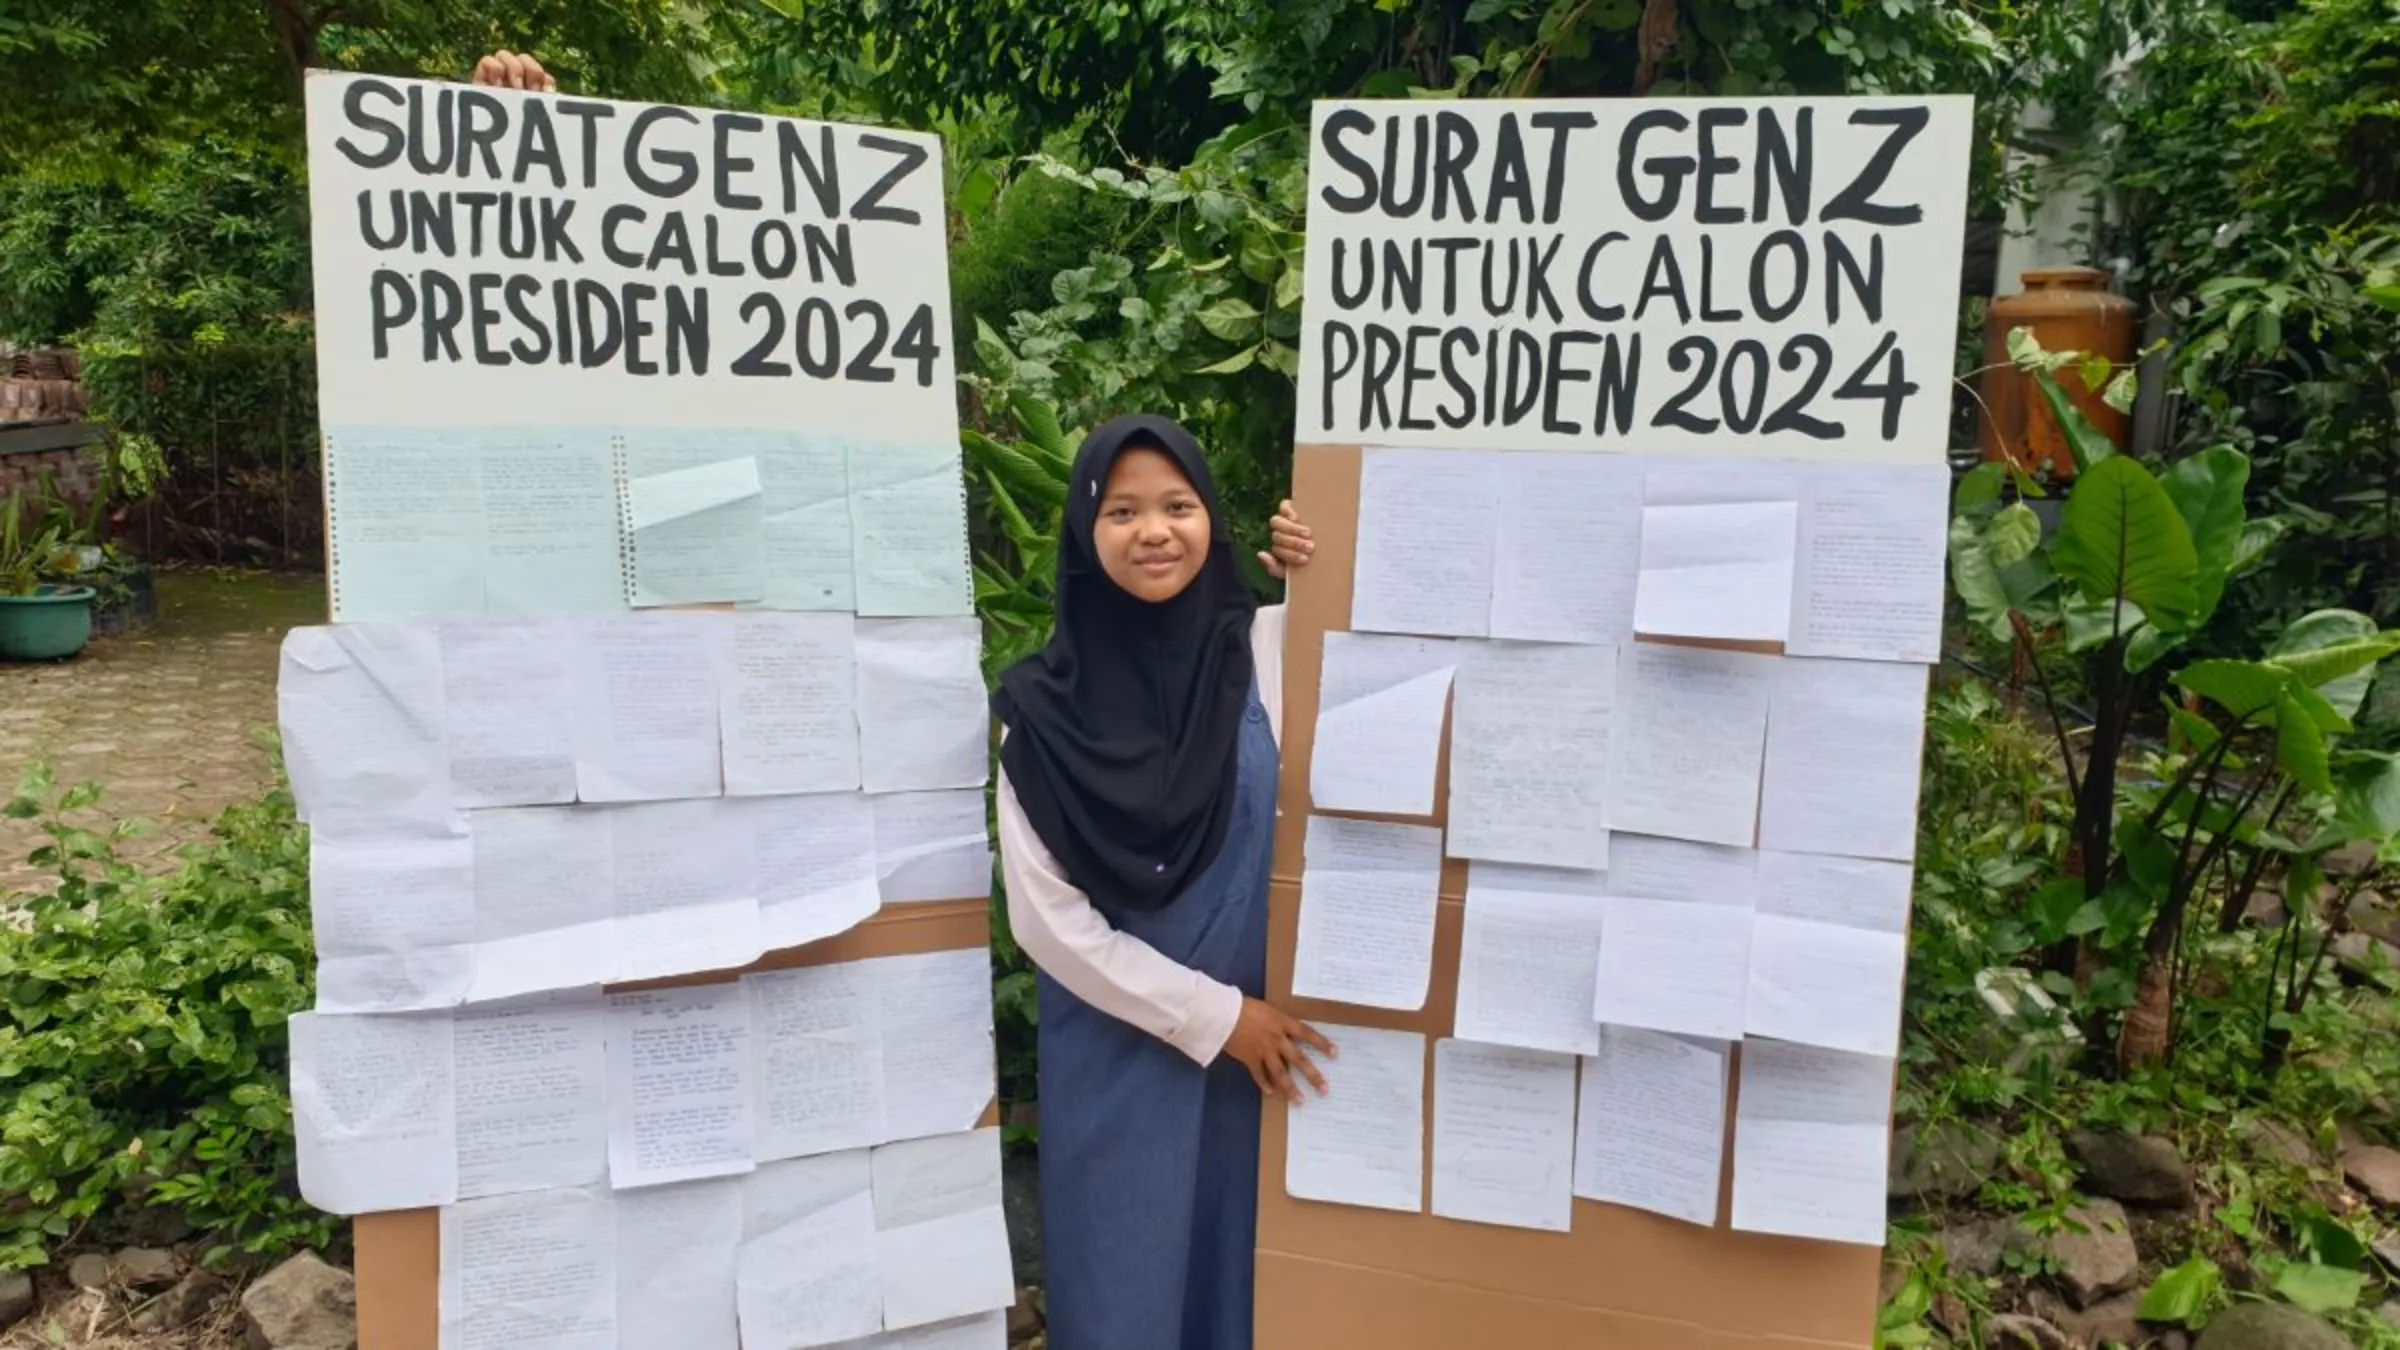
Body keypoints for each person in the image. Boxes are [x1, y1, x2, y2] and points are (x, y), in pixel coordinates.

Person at [995, 415, 1329, 1350]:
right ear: (1085, 533)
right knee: (1126, 1300)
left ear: (1212, 521)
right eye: (1124, 510)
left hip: (1266, 1062)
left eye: (1179, 505)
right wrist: (1218, 1019)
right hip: (1125, 1054)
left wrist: (1324, 558)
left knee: (1253, 1293)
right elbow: (1047, 922)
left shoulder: (1264, 647)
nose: (1155, 530)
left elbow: (1380, 641)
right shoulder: (1039, 711)